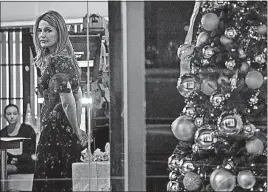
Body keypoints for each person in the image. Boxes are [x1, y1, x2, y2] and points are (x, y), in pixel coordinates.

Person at [32, 10, 88, 192]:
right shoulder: (65, 59)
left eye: (48, 30)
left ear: (59, 32)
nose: (42, 35)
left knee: (51, 181)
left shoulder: (59, 60)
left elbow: (68, 100)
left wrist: (75, 129)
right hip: (60, 129)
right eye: (40, 31)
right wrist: (76, 128)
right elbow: (77, 96)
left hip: (55, 131)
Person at [0, 104, 36, 174]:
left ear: (19, 115)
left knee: (5, 169)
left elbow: (31, 153)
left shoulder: (28, 130)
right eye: (9, 114)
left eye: (15, 114)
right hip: (6, 164)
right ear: (4, 116)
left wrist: (17, 159)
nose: (12, 117)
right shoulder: (2, 133)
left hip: (25, 165)